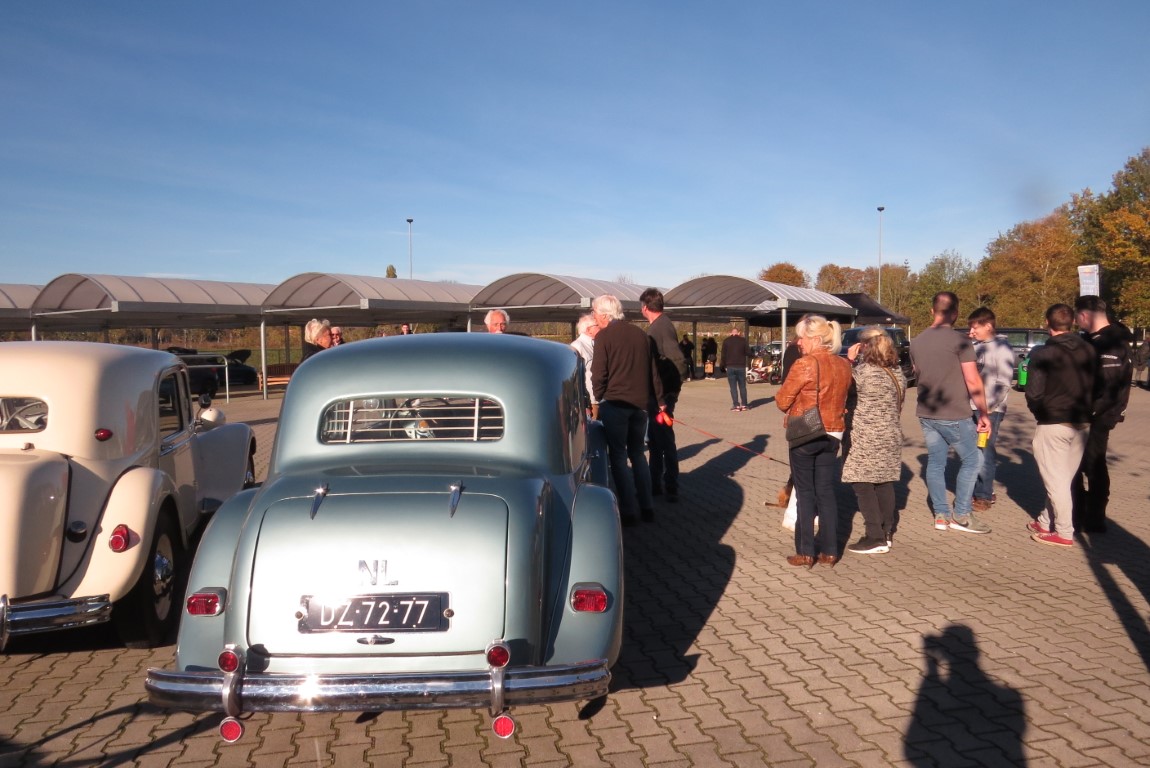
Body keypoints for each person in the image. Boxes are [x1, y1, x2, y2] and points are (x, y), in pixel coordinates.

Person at [910, 292, 992, 534]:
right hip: (955, 413)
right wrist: (984, 413)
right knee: (973, 460)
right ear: (955, 313)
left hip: (927, 413)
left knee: (936, 464)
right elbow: (973, 380)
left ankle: (941, 515)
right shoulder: (961, 342)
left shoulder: (916, 341)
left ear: (932, 311)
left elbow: (917, 374)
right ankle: (962, 515)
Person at [776, 315, 852, 567]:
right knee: (826, 491)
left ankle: (806, 551)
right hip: (834, 432)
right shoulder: (843, 364)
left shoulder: (805, 364)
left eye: (803, 338)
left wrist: (797, 404)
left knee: (805, 492)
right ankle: (830, 551)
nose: (799, 342)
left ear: (816, 339)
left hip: (806, 431)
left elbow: (782, 401)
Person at [591, 294, 665, 526]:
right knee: (638, 454)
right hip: (640, 405)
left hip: (616, 404)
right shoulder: (641, 335)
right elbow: (653, 371)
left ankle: (628, 510)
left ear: (604, 315)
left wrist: (598, 396)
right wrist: (659, 399)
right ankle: (647, 506)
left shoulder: (604, 336)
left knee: (618, 457)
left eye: (595, 313)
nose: (594, 318)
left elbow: (598, 372)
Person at [1025, 303, 1095, 547]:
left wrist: (1040, 412)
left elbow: (1033, 392)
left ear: (1047, 322)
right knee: (1061, 479)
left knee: (1056, 481)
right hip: (1082, 422)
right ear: (1073, 322)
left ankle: (1064, 532)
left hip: (1053, 422)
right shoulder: (1088, 350)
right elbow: (1099, 385)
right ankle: (1045, 521)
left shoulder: (1043, 354)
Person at [1072, 295, 1133, 533]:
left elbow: (1109, 386)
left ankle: (1094, 518)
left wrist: (1093, 411)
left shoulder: (1110, 343)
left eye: (1077, 317)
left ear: (1084, 315)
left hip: (1098, 415)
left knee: (1093, 464)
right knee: (1079, 464)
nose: (1076, 322)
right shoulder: (1093, 340)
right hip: (1088, 413)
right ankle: (1079, 511)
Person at [842, 327, 906, 555]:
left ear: (864, 347)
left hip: (865, 436)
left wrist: (848, 361)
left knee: (862, 484)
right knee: (884, 482)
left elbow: (841, 389)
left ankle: (874, 536)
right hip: (890, 434)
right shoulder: (897, 372)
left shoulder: (861, 373)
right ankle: (886, 532)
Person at [641, 288, 687, 502]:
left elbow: (678, 360)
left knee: (665, 441)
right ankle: (655, 484)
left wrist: (670, 392)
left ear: (644, 308)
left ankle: (671, 485)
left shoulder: (660, 328)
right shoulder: (660, 325)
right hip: (658, 394)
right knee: (655, 441)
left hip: (662, 396)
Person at [967, 307, 1015, 511]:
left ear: (988, 326)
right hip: (973, 407)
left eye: (975, 327)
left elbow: (1003, 383)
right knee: (974, 451)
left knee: (985, 451)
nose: (971, 332)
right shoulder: (976, 347)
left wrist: (987, 409)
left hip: (989, 411)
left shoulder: (1002, 349)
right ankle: (981, 489)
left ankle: (983, 496)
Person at [570, 312, 599, 420]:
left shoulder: (596, 343)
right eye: (597, 326)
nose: (600, 327)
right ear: (588, 329)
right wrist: (584, 403)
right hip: (590, 401)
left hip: (599, 399)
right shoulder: (577, 346)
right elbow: (574, 377)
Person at [720, 327, 749, 411]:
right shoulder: (743, 340)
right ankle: (744, 405)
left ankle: (736, 405)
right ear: (738, 333)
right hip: (741, 366)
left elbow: (723, 355)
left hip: (730, 366)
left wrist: (723, 365)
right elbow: (748, 352)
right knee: (742, 387)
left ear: (731, 333)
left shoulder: (726, 341)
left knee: (733, 387)